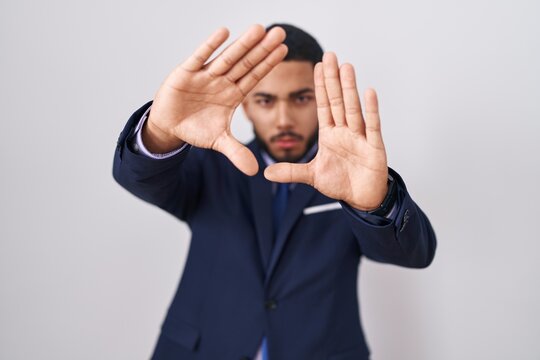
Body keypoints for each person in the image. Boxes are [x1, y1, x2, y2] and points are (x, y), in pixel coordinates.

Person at [113, 23, 436, 360]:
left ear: (321, 98)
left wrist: (374, 202)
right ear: (246, 105)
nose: (284, 119)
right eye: (266, 100)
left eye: (301, 98)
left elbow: (415, 254)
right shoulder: (210, 167)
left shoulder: (353, 180)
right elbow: (137, 178)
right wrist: (161, 133)